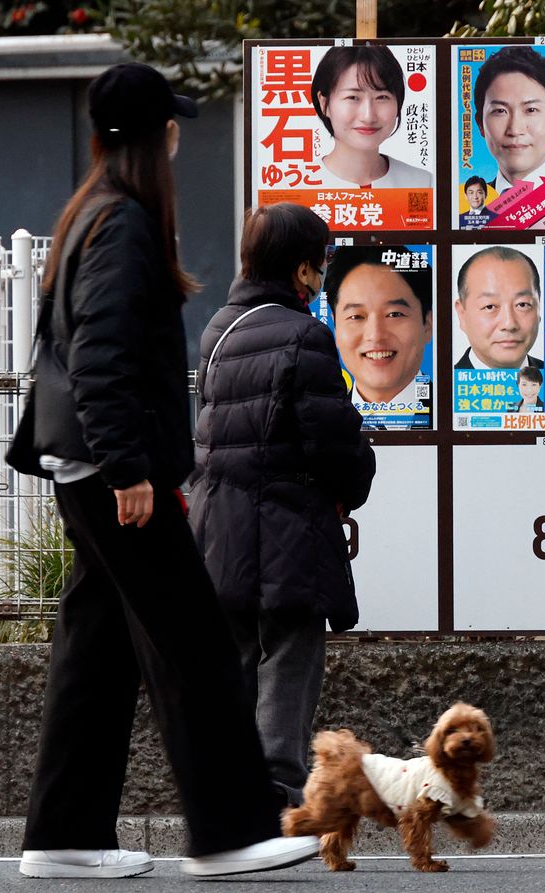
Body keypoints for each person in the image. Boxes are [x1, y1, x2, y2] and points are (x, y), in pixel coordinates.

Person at [13, 62, 320, 880]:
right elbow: (102, 358)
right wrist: (128, 469)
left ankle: (62, 835)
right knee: (196, 645)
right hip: (114, 472)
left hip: (81, 466)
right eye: (173, 124)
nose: (180, 134)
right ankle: (231, 833)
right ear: (156, 136)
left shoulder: (90, 214)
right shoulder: (124, 223)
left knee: (98, 652)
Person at [188, 203, 376, 810]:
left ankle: (233, 796)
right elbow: (333, 440)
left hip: (220, 528)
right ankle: (275, 794)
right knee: (291, 655)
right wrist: (356, 480)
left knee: (239, 657)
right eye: (320, 262)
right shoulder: (303, 333)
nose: (322, 274)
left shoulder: (219, 328)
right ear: (302, 270)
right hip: (288, 528)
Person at [325, 244, 433, 414]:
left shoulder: (455, 412)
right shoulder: (320, 423)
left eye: (394, 314)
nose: (375, 335)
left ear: (427, 323)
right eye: (356, 317)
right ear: (336, 327)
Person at [309, 45, 432, 189]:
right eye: (353, 97)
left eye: (382, 97)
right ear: (324, 103)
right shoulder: (292, 189)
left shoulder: (425, 183)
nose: (368, 116)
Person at [473, 45, 545, 194]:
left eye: (531, 110)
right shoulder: (466, 209)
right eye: (500, 111)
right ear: (480, 124)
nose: (515, 130)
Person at [454, 245, 543, 370]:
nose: (509, 324)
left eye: (522, 305)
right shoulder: (444, 384)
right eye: (490, 307)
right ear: (462, 314)